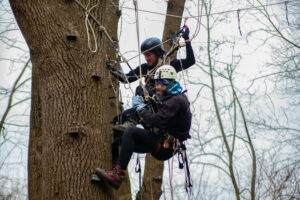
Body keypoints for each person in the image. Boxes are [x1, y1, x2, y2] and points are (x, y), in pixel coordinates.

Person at [95, 65, 192, 189]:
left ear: (167, 83)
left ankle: (117, 175)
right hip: (161, 141)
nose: (156, 87)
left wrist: (140, 109)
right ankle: (112, 172)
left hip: (166, 145)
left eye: (159, 84)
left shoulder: (177, 100)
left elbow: (154, 120)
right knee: (119, 143)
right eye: (156, 83)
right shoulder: (170, 96)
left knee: (130, 132)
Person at [109, 27, 195, 131]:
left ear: (157, 53)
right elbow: (126, 78)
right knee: (118, 119)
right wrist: (110, 67)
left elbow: (190, 61)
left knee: (140, 89)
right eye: (145, 55)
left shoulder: (169, 65)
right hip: (147, 108)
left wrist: (187, 41)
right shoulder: (144, 68)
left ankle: (132, 122)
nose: (146, 58)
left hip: (163, 105)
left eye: (149, 55)